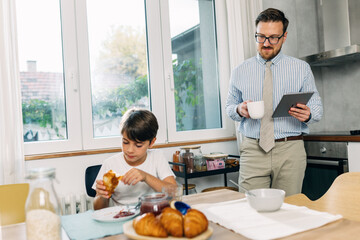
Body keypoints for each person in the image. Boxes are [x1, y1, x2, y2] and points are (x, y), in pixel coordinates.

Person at [226, 8, 323, 196]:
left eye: (273, 38)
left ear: (284, 37)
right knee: (251, 209)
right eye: (261, 37)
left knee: (289, 210)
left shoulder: (301, 68)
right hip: (253, 149)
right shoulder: (240, 70)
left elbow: (317, 109)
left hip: (290, 149)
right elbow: (229, 107)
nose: (266, 43)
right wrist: (239, 109)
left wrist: (308, 114)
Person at [93, 108, 177, 210]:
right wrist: (102, 196)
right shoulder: (110, 164)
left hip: (151, 213)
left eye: (138, 145)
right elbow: (98, 209)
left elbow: (174, 192)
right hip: (122, 216)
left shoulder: (157, 157)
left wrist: (146, 176)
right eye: (125, 142)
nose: (130, 150)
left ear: (151, 142)